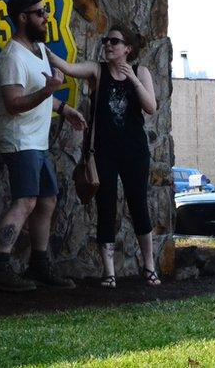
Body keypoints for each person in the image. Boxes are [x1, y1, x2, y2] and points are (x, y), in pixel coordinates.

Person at [0, 0, 86, 292]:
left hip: (37, 142)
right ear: (22, 18)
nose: (46, 17)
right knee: (26, 200)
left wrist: (64, 108)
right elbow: (14, 103)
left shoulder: (39, 50)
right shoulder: (12, 57)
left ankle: (39, 265)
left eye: (46, 11)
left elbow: (40, 95)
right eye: (40, 13)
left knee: (47, 199)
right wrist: (49, 90)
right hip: (19, 140)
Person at [48, 24, 160, 288]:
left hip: (135, 153)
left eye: (114, 41)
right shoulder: (97, 71)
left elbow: (151, 107)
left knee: (138, 206)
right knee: (105, 208)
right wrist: (46, 53)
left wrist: (132, 79)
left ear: (127, 49)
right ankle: (109, 273)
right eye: (106, 40)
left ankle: (149, 266)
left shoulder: (140, 72)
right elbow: (68, 67)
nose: (108, 45)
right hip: (104, 154)